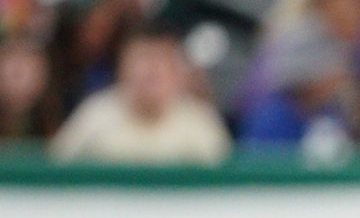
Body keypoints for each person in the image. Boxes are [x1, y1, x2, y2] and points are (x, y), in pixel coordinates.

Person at [47, 26, 232, 164]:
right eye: (142, 58)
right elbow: (56, 170)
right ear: (122, 68)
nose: (151, 70)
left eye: (161, 60)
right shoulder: (95, 114)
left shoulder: (200, 121)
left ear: (178, 72)